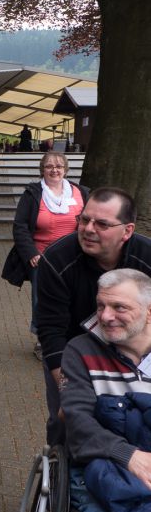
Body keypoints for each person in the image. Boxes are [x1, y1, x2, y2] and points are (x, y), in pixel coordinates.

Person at [36, 187, 151, 446]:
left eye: (102, 224)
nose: (88, 229)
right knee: (67, 421)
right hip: (73, 352)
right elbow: (51, 332)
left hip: (139, 352)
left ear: (127, 230)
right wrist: (68, 392)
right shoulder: (57, 260)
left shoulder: (147, 258)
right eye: (84, 219)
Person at [61, 269, 151, 512]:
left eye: (119, 307)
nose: (106, 316)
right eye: (101, 306)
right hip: (100, 467)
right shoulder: (81, 350)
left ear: (149, 312)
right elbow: (77, 420)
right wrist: (128, 456)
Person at [2, 152, 89, 359]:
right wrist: (30, 253)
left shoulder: (80, 192)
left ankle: (72, 338)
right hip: (42, 258)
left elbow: (89, 221)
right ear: (43, 169)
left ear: (66, 169)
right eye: (49, 166)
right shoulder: (33, 194)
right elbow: (20, 226)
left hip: (74, 257)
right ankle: (44, 340)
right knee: (43, 300)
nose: (54, 170)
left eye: (59, 166)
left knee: (75, 298)